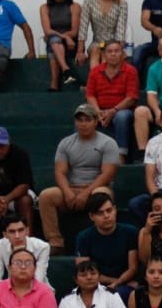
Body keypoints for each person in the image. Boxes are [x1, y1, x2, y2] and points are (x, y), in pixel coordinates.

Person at [39, 104, 119, 253]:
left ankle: (100, 239)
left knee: (103, 195)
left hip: (96, 187)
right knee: (46, 196)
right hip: (72, 188)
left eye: (87, 120)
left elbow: (108, 173)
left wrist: (86, 192)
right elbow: (60, 172)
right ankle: (55, 241)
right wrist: (68, 192)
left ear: (96, 121)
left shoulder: (108, 143)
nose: (83, 124)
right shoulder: (66, 143)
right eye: (80, 120)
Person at [75, 192, 139, 303]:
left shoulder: (130, 232)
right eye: (100, 213)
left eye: (109, 210)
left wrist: (117, 284)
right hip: (95, 284)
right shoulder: (83, 237)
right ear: (91, 216)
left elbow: (132, 268)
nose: (106, 216)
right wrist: (115, 281)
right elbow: (84, 272)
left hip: (124, 285)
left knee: (116, 295)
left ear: (115, 210)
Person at [84, 40, 140, 158]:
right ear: (104, 55)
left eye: (116, 51)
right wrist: (97, 111)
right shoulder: (95, 72)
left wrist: (114, 110)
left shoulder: (130, 71)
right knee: (83, 115)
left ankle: (121, 155)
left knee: (122, 116)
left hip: (121, 110)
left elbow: (131, 97)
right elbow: (90, 95)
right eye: (110, 51)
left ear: (123, 54)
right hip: (99, 109)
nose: (113, 54)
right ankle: (81, 155)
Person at [77, 0, 128, 70]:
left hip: (114, 42)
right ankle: (95, 81)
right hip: (97, 41)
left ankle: (107, 83)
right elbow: (83, 27)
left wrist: (120, 49)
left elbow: (121, 30)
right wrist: (80, 51)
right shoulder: (89, 0)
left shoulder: (122, 2)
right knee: (96, 51)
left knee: (107, 55)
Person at [39, 0, 81, 90]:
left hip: (71, 45)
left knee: (54, 41)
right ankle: (66, 70)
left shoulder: (74, 6)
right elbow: (47, 31)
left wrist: (66, 38)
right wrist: (64, 37)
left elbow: (75, 31)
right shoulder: (44, 7)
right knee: (54, 40)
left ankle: (54, 83)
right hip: (54, 43)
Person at [0, 214, 51, 287]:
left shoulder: (42, 247)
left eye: (21, 230)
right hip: (11, 290)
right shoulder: (0, 245)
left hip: (40, 291)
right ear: (5, 235)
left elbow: (38, 279)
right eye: (12, 231)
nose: (17, 236)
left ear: (27, 231)